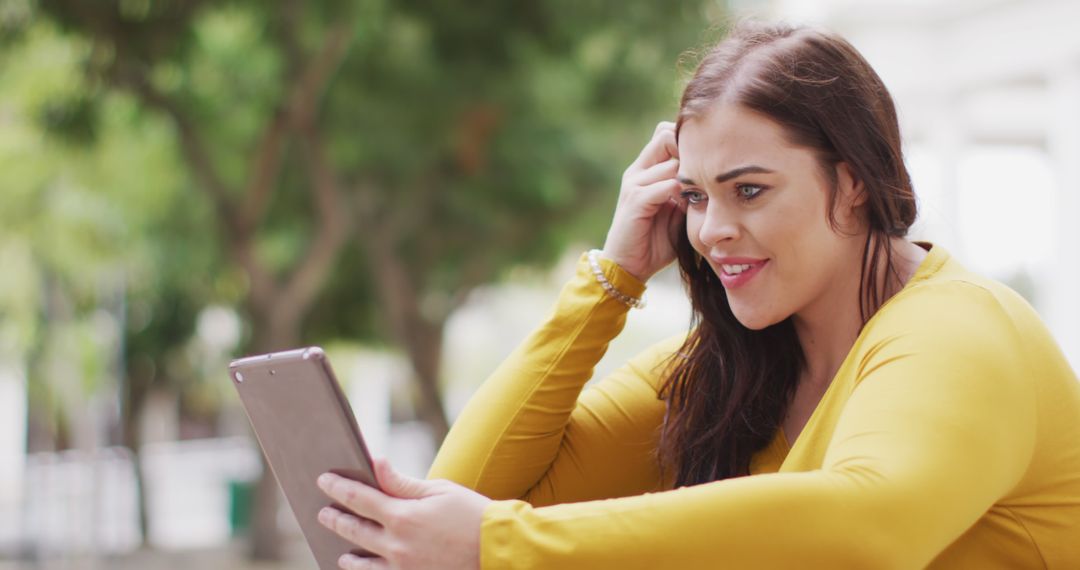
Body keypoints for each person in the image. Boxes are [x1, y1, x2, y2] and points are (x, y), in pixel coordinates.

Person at [312, 21, 1080, 569]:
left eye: (748, 189)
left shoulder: (960, 332)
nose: (712, 229)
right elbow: (463, 494)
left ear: (850, 185)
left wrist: (499, 546)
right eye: (695, 196)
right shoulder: (733, 365)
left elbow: (864, 533)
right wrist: (610, 278)